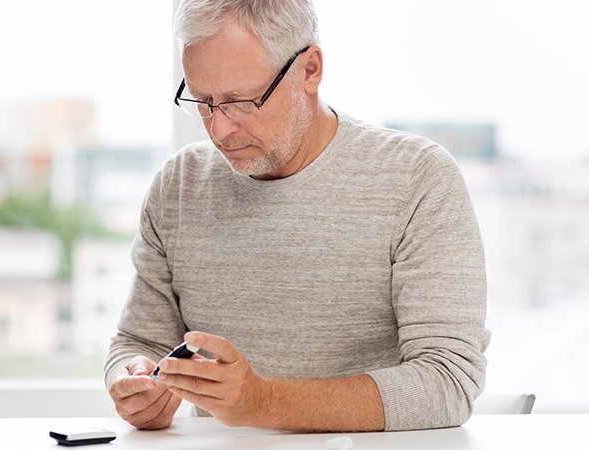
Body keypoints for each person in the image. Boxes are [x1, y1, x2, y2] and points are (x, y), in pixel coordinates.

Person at [105, 0, 490, 432]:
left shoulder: (416, 177)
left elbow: (448, 382)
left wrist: (263, 402)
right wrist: (134, 380)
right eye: (203, 101)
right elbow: (139, 342)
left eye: (242, 101)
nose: (219, 129)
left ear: (310, 69)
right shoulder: (179, 185)